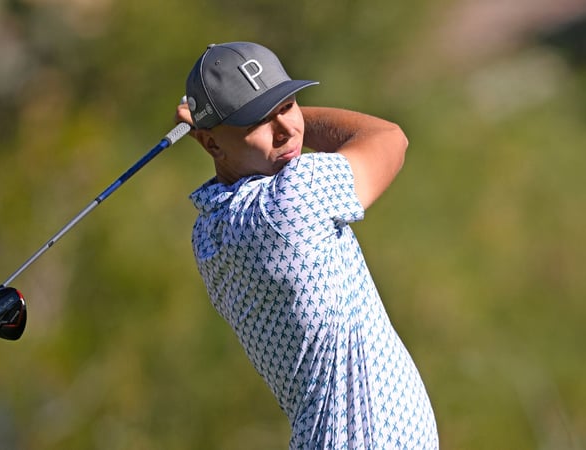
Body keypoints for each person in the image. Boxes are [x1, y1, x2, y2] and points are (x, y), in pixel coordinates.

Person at [175, 41, 438, 449]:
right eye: (258, 121)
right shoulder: (290, 201)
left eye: (288, 104)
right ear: (210, 144)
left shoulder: (207, 233)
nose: (286, 129)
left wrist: (224, 130)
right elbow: (389, 138)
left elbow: (238, 163)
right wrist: (264, 123)